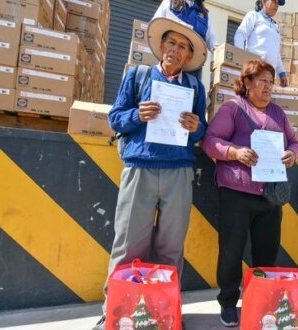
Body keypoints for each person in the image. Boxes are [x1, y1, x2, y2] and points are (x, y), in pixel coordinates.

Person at [93, 17, 208, 330]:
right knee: (129, 245)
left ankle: (166, 310)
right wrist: (137, 114)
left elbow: (203, 132)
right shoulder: (137, 76)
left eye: (183, 47)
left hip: (179, 171)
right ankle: (115, 310)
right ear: (161, 47)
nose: (175, 49)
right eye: (171, 42)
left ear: (188, 57)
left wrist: (198, 127)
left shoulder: (196, 87)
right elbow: (116, 119)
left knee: (171, 247)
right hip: (140, 167)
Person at [202, 59, 298, 327]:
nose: (268, 87)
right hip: (236, 192)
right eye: (262, 81)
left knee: (267, 252)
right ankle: (228, 302)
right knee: (231, 251)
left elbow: (294, 141)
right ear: (246, 83)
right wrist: (235, 152)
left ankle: (261, 298)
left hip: (270, 195)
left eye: (271, 82)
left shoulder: (278, 113)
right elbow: (210, 141)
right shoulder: (233, 108)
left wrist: (292, 154)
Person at [153, 0, 218, 79]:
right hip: (169, 64)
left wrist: (217, 50)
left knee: (191, 90)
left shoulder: (204, 14)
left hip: (192, 69)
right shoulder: (169, 2)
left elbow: (211, 38)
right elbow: (155, 25)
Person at [234, 0, 288, 87]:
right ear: (264, 1)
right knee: (251, 99)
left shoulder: (275, 27)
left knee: (263, 100)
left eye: (278, 3)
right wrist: (241, 60)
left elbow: (276, 54)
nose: (277, 5)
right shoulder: (254, 16)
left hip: (269, 76)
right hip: (255, 71)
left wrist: (282, 73)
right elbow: (240, 35)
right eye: (274, 1)